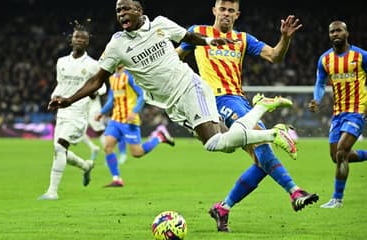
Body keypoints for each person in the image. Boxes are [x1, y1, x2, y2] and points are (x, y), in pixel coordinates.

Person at [48, 0, 297, 190]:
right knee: (224, 144)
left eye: (126, 8)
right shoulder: (117, 46)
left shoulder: (160, 24)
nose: (121, 13)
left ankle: (272, 131)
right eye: (117, 11)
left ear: (139, 10)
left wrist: (209, 43)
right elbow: (97, 80)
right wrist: (68, 99)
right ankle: (262, 110)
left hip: (190, 87)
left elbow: (187, 37)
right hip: (173, 105)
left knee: (213, 143)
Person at [176, 0, 318, 232]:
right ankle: (294, 191)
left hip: (239, 99)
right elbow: (176, 58)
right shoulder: (198, 33)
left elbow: (274, 56)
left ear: (237, 15)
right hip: (217, 99)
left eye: (231, 11)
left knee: (262, 161)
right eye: (222, 9)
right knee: (262, 141)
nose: (226, 14)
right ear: (214, 11)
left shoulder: (243, 39)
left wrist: (286, 38)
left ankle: (223, 207)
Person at [309, 20, 367, 208]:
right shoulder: (324, 59)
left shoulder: (361, 56)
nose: (336, 34)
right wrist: (317, 99)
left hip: (358, 110)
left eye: (339, 30)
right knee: (337, 157)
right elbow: (319, 83)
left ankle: (337, 198)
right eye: (332, 31)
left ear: (347, 33)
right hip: (338, 112)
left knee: (342, 151)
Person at [38, 21, 97, 200]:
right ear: (71, 40)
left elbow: (97, 89)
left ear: (87, 42)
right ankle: (86, 166)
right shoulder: (61, 62)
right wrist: (54, 97)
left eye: (83, 38)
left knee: (59, 146)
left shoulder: (94, 65)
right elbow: (61, 85)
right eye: (76, 37)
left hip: (79, 113)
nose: (79, 40)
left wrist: (92, 94)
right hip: (62, 113)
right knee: (60, 151)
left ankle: (52, 192)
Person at [95, 65, 175, 187]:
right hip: (115, 119)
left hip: (129, 120)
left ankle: (159, 137)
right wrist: (101, 112)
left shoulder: (130, 76)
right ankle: (116, 179)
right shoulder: (112, 78)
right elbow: (111, 99)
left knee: (137, 153)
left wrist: (135, 111)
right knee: (107, 146)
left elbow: (142, 95)